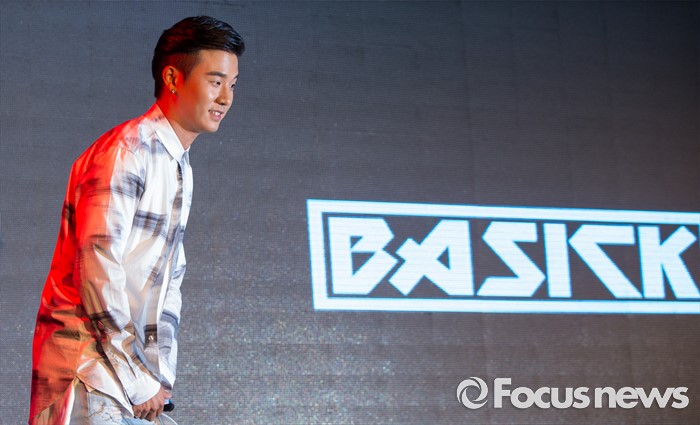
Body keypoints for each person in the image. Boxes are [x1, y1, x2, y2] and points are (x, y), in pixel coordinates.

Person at [28, 16, 244, 425]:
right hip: (89, 373)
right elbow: (98, 271)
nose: (225, 98)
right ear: (173, 78)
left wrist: (156, 377)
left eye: (232, 84)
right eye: (215, 81)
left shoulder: (178, 165)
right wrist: (140, 380)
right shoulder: (127, 152)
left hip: (129, 381)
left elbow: (168, 282)